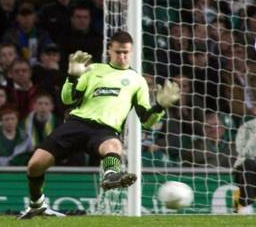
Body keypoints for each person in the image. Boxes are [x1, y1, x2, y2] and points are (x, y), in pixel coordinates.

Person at [18, 31, 181, 219]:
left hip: (105, 130)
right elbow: (67, 100)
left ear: (132, 52)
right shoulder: (93, 70)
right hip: (77, 123)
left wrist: (160, 106)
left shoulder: (137, 81)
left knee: (113, 145)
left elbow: (146, 120)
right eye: (118, 52)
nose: (122, 56)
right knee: (35, 165)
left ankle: (111, 175)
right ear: (109, 50)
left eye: (126, 52)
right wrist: (72, 77)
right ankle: (37, 205)